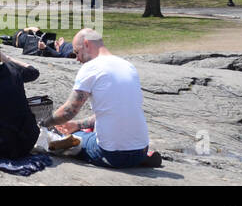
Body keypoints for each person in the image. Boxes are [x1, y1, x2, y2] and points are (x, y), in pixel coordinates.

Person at [42, 29, 160, 169]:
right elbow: (113, 111)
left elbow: (68, 111)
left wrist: (44, 124)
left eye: (77, 52)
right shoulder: (128, 66)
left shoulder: (91, 68)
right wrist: (77, 124)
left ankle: (64, 145)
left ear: (86, 44)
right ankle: (140, 159)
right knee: (85, 130)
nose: (76, 58)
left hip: (112, 155)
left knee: (71, 139)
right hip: (141, 150)